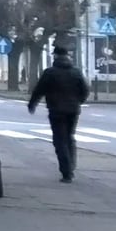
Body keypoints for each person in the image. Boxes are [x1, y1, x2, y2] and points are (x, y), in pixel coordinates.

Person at [28, 49, 90, 182]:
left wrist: (32, 104)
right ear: (67, 56)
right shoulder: (76, 72)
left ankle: (66, 172)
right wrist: (77, 102)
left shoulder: (50, 73)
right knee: (69, 137)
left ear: (55, 56)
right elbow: (85, 90)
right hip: (73, 110)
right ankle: (71, 165)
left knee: (59, 140)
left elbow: (39, 90)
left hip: (56, 110)